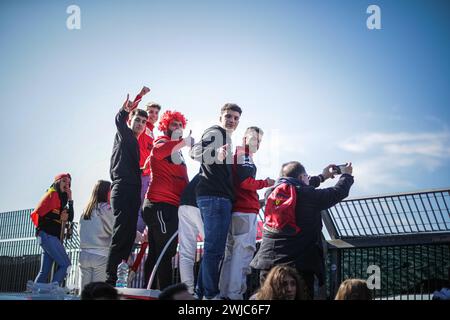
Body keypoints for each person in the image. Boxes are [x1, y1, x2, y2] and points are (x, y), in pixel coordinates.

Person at [250, 161, 354, 299]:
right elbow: (337, 192)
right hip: (299, 266)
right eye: (306, 177)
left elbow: (298, 187)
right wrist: (346, 175)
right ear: (301, 178)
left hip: (268, 262)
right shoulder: (308, 195)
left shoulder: (271, 193)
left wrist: (323, 176)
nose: (308, 180)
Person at [189, 103, 242, 299]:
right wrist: (215, 154)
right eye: (229, 116)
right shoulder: (215, 132)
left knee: (214, 250)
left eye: (236, 118)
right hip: (214, 198)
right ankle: (210, 294)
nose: (232, 121)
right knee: (214, 251)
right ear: (220, 117)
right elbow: (194, 152)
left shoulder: (226, 137)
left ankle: (202, 293)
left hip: (218, 198)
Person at [219, 127, 275, 300]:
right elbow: (245, 182)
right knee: (242, 253)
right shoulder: (244, 155)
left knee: (231, 254)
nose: (257, 143)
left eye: (259, 140)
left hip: (236, 209)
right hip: (244, 209)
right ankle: (234, 294)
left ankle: (225, 293)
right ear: (245, 138)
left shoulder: (237, 154)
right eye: (254, 138)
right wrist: (266, 182)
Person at [142, 110, 192, 289]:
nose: (177, 127)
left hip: (171, 207)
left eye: (180, 125)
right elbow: (156, 152)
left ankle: (150, 292)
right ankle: (164, 294)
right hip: (159, 205)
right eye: (174, 124)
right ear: (165, 126)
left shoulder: (178, 151)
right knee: (165, 252)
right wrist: (184, 142)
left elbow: (183, 180)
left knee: (157, 252)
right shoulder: (163, 142)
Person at [106, 88, 150, 286]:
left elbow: (136, 169)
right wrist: (128, 107)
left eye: (143, 121)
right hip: (122, 188)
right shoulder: (124, 134)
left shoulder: (134, 141)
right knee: (121, 234)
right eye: (137, 119)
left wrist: (144, 169)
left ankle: (118, 281)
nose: (140, 124)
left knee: (129, 235)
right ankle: (110, 279)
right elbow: (118, 120)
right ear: (130, 120)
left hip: (132, 189)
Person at [30, 173, 73, 285]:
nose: (66, 184)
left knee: (44, 272)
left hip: (49, 237)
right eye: (64, 181)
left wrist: (71, 200)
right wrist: (60, 216)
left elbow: (70, 217)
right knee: (65, 264)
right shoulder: (52, 194)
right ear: (57, 182)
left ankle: (35, 295)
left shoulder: (63, 199)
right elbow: (43, 212)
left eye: (68, 182)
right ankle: (53, 291)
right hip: (48, 235)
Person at [79, 180, 114, 290]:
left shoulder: (86, 210)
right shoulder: (106, 209)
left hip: (84, 255)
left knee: (85, 294)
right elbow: (116, 228)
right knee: (98, 294)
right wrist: (141, 237)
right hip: (100, 255)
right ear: (106, 192)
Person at [136, 100, 161, 234]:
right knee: (140, 209)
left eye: (156, 113)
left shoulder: (152, 132)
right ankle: (134, 238)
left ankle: (135, 241)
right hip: (139, 173)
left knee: (145, 209)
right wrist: (140, 96)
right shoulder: (141, 126)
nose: (153, 115)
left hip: (147, 175)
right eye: (150, 111)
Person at [177, 173, 204, 294]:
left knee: (186, 253)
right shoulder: (223, 167)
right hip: (200, 203)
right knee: (214, 250)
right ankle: (206, 290)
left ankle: (188, 292)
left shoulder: (203, 170)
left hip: (184, 204)